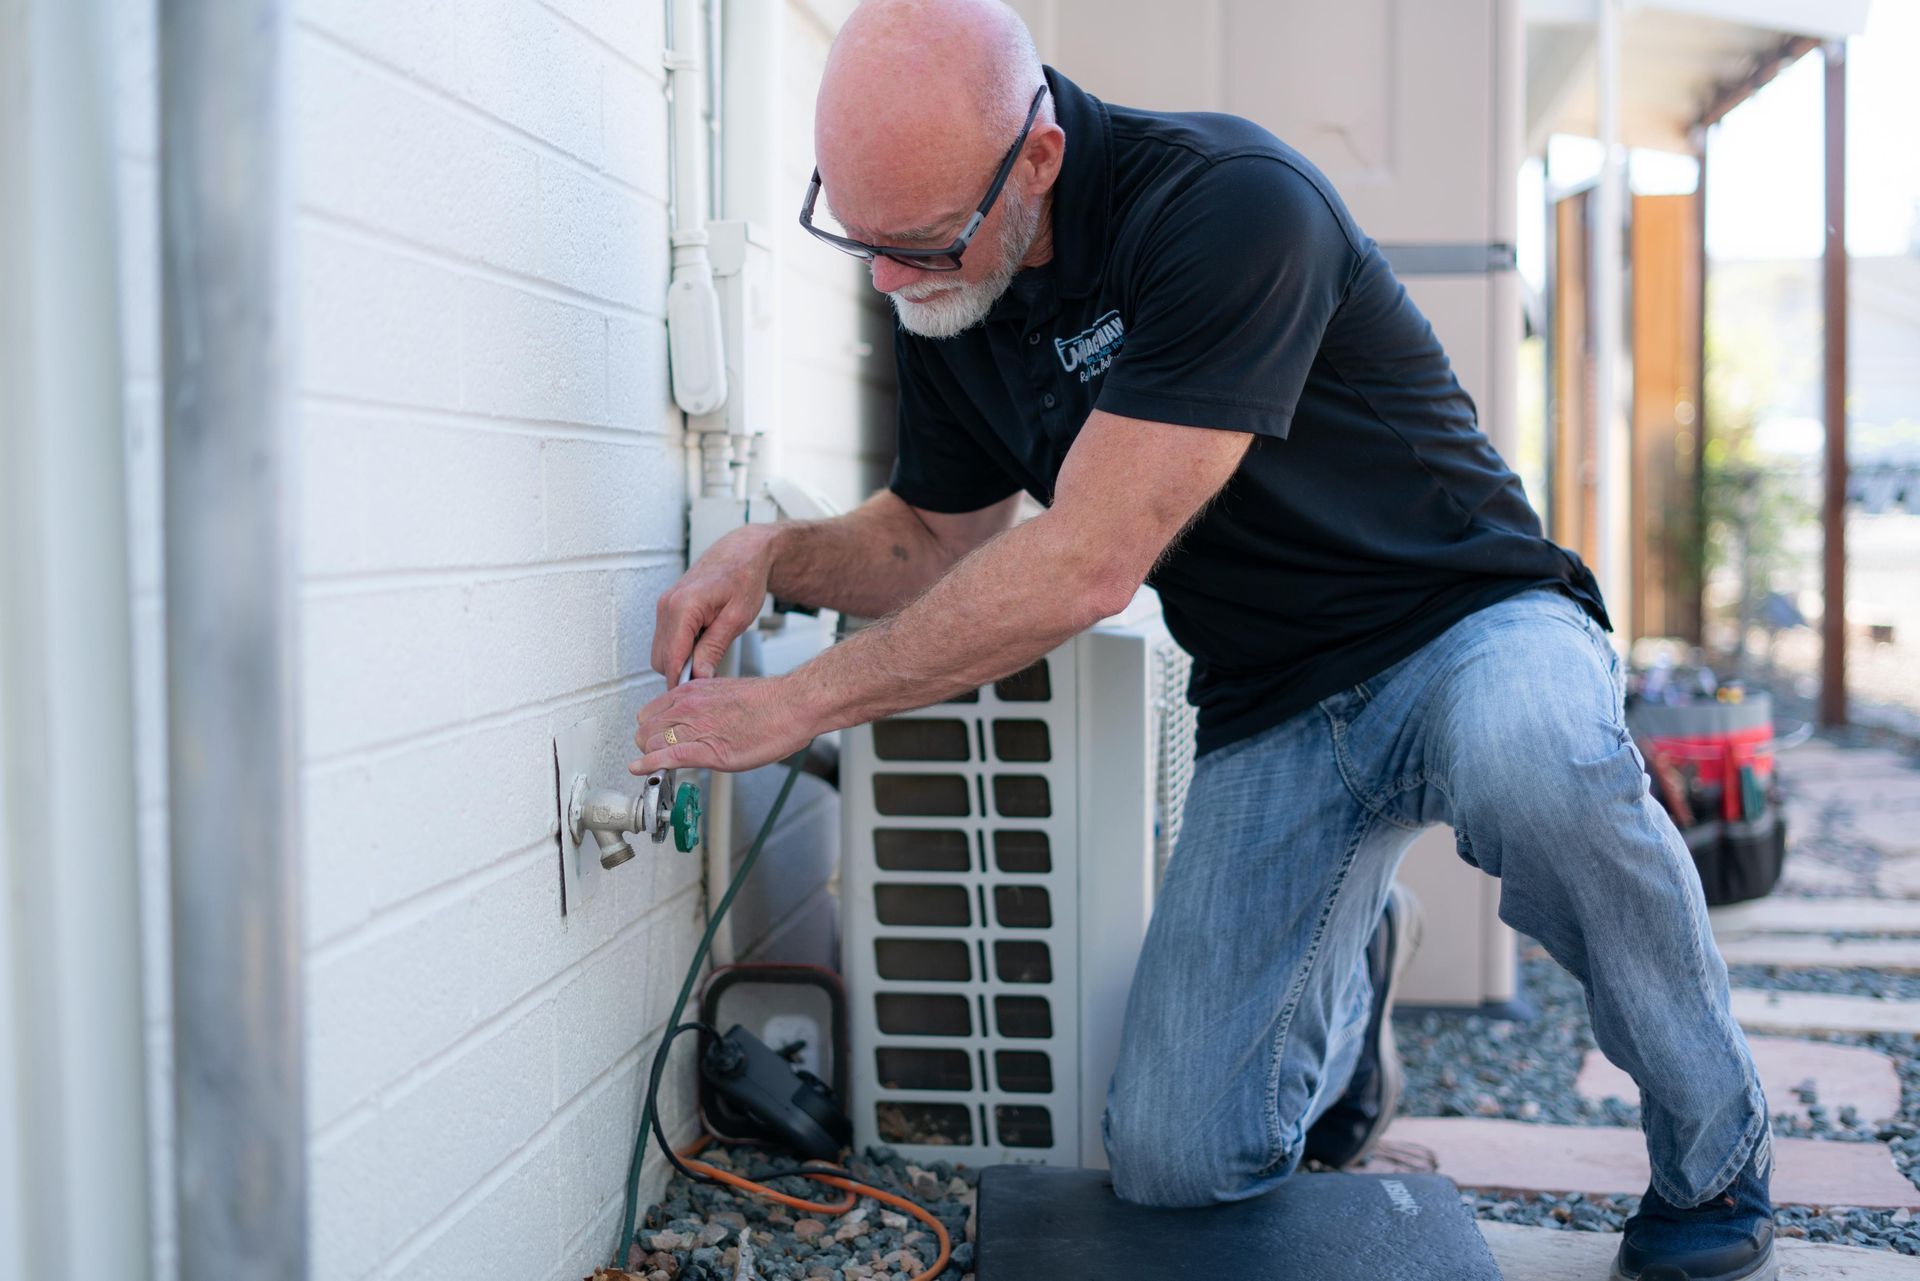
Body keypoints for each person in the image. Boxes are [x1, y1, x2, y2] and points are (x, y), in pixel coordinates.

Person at [630, 2, 1776, 1276]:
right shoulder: (955, 284)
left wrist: (799, 701)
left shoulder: (1230, 205)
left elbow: (1088, 561)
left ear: (1040, 158)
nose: (889, 282)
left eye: (919, 242)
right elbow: (933, 539)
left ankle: (1715, 1157)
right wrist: (773, 554)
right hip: (1272, 701)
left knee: (1538, 763)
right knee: (1177, 1163)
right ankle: (1354, 962)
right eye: (859, 237)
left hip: (1467, 625)